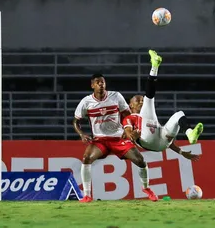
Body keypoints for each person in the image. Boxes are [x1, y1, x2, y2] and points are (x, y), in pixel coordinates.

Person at [73, 73, 158, 202]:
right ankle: (87, 195)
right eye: (97, 82)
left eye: (102, 82)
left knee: (140, 160)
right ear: (92, 85)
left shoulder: (116, 96)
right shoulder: (86, 102)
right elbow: (75, 121)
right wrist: (81, 134)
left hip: (118, 138)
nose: (101, 84)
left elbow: (127, 115)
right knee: (86, 158)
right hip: (100, 140)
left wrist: (129, 129)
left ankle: (146, 188)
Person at [122, 50, 203, 158]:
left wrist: (181, 152)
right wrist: (131, 135)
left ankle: (190, 133)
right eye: (137, 100)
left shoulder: (147, 115)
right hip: (146, 140)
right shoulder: (130, 118)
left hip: (162, 143)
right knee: (149, 99)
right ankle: (154, 66)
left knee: (179, 114)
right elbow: (128, 132)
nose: (141, 101)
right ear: (130, 105)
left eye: (141, 99)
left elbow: (163, 139)